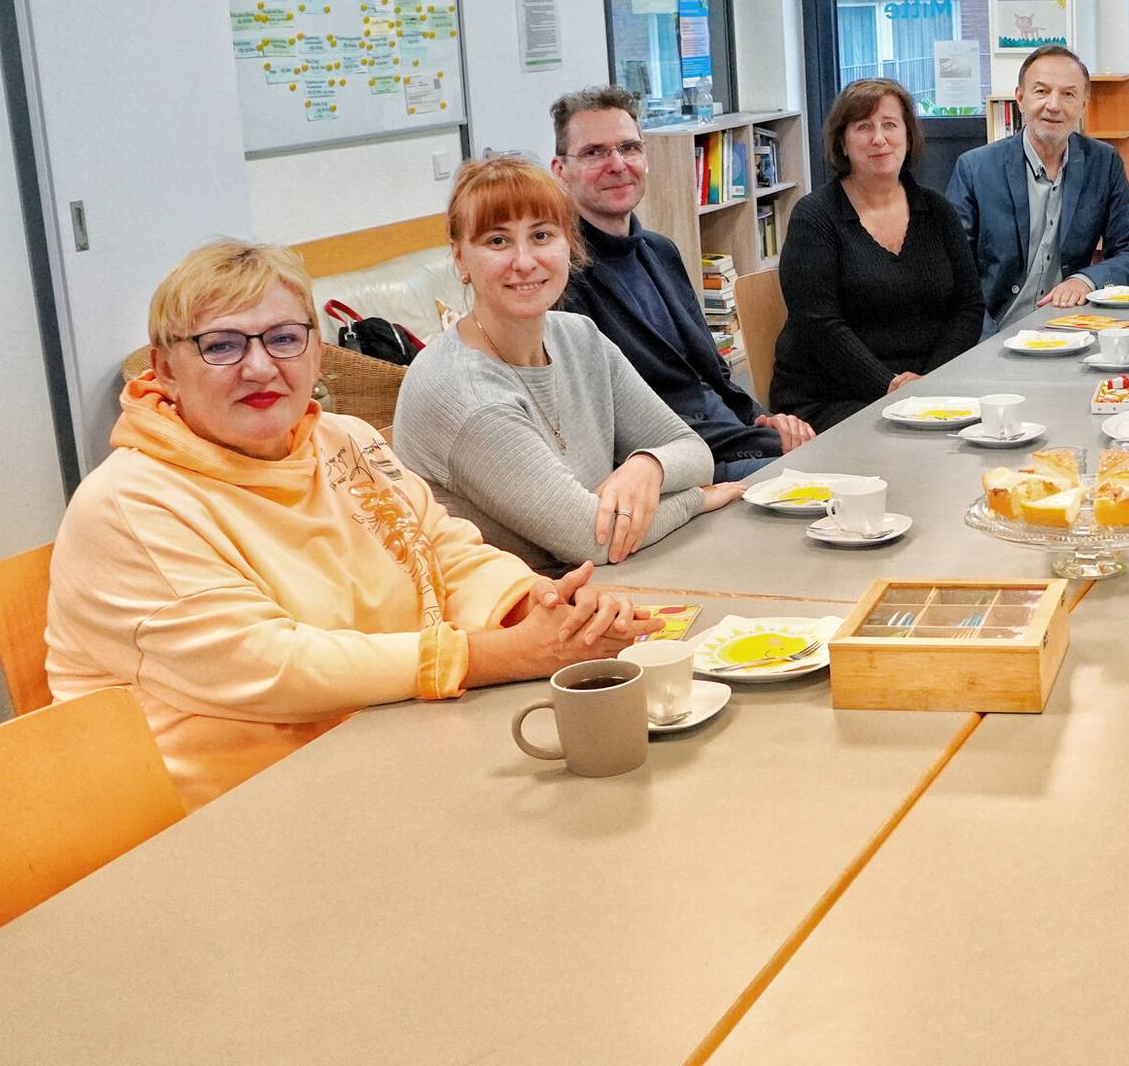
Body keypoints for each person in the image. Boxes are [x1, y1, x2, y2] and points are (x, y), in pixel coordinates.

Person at [45, 241, 653, 810]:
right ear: (165, 369)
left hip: (391, 743)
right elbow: (272, 665)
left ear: (316, 351)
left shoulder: (347, 441)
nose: (259, 367)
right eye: (221, 346)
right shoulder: (130, 504)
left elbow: (445, 552)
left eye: (284, 338)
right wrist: (505, 655)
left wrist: (542, 608)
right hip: (229, 810)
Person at [394, 156, 745, 572]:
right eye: (498, 241)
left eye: (541, 235)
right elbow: (592, 541)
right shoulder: (462, 393)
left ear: (569, 244)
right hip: (523, 604)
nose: (524, 261)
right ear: (460, 258)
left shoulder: (579, 337)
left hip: (608, 582)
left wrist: (647, 466)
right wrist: (697, 499)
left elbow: (694, 451)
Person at [549, 86, 815, 481]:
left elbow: (714, 373)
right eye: (594, 153)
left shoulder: (660, 251)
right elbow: (609, 425)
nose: (617, 164)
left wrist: (762, 419)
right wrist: (752, 443)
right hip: (676, 466)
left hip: (735, 438)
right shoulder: (562, 278)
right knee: (829, 477)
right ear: (560, 171)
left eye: (629, 148)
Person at [768, 79, 983, 430]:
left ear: (908, 135)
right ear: (842, 141)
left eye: (890, 125)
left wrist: (928, 382)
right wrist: (891, 387)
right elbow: (818, 325)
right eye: (863, 127)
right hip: (835, 394)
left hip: (929, 389)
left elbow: (968, 306)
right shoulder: (815, 217)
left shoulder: (937, 210)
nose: (879, 138)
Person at [946, 45, 1129, 331]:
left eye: (1068, 94)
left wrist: (1085, 280)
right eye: (1041, 91)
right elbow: (952, 273)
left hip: (1069, 330)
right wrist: (984, 342)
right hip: (994, 330)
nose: (1054, 105)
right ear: (1021, 99)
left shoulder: (1103, 163)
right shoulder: (975, 168)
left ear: (1084, 105)